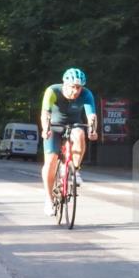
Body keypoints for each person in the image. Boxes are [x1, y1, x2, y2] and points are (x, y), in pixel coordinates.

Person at [41, 68, 98, 216]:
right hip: (54, 126)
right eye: (73, 87)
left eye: (79, 87)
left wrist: (93, 130)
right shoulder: (53, 91)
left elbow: (91, 116)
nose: (76, 91)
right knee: (51, 161)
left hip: (74, 124)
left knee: (80, 134)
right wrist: (46, 128)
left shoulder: (86, 94)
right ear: (64, 84)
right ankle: (48, 199)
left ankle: (75, 171)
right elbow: (45, 113)